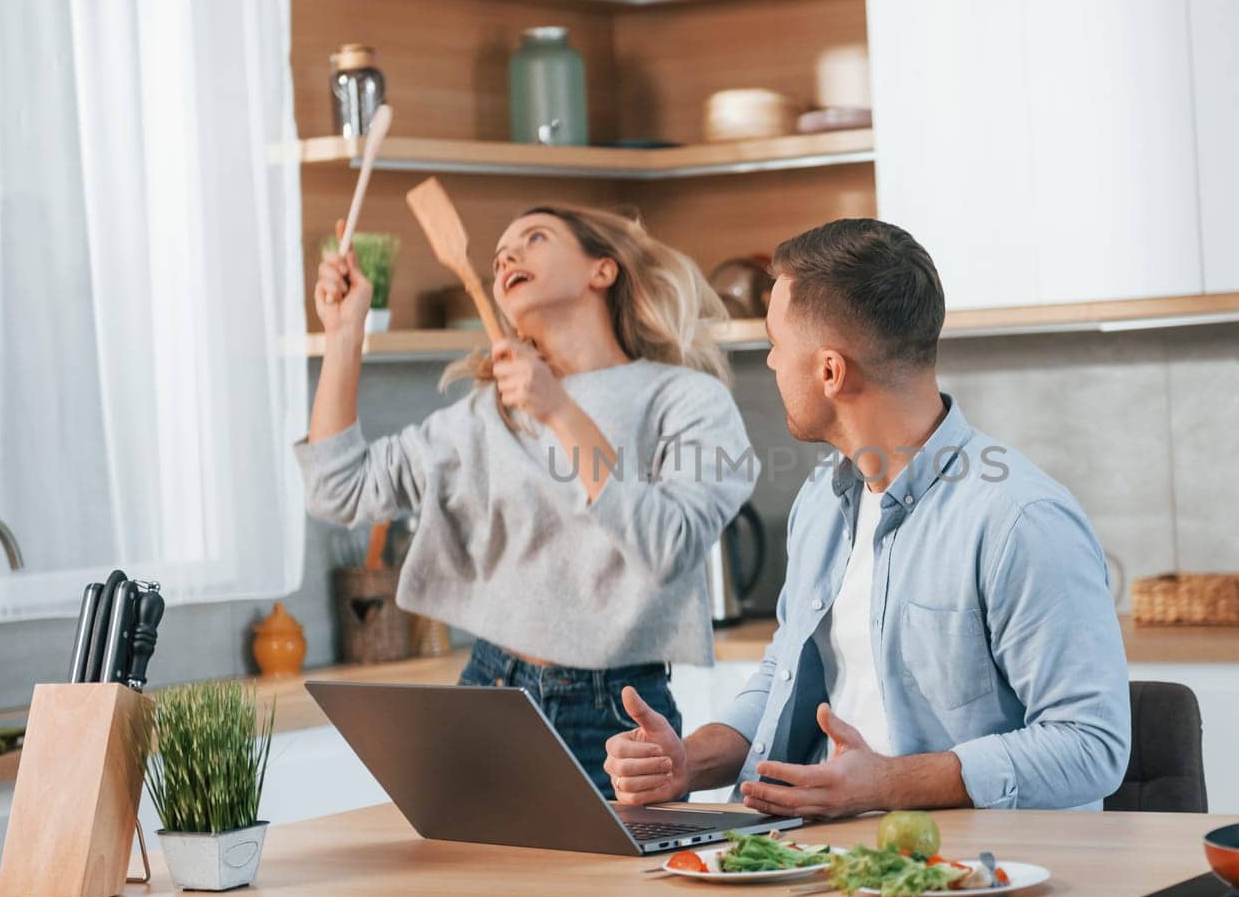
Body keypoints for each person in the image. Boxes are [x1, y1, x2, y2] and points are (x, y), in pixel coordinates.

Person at [603, 218, 1129, 815]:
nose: (772, 362)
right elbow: (784, 678)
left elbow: (1091, 745)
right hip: (835, 865)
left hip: (983, 884)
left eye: (777, 344)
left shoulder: (1018, 520)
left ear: (830, 371)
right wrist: (688, 761)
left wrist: (886, 785)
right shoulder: (822, 503)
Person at [297, 204, 757, 796]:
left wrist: (558, 411)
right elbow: (338, 488)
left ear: (602, 270)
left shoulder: (688, 400)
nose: (507, 257)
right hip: (489, 695)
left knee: (614, 893)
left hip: (614, 719)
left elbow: (669, 543)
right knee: (465, 891)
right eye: (497, 257)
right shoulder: (485, 414)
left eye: (534, 239)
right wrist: (343, 337)